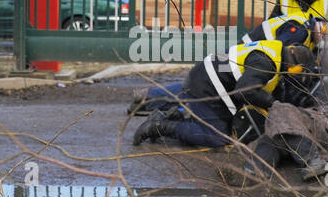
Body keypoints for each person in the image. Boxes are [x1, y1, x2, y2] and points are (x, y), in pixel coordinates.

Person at [132, 39, 316, 147]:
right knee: (218, 137)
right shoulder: (266, 62)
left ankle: (175, 116)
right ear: (295, 67)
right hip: (206, 86)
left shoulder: (274, 53)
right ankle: (160, 126)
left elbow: (274, 90)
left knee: (226, 124)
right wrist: (272, 104)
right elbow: (245, 90)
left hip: (209, 80)